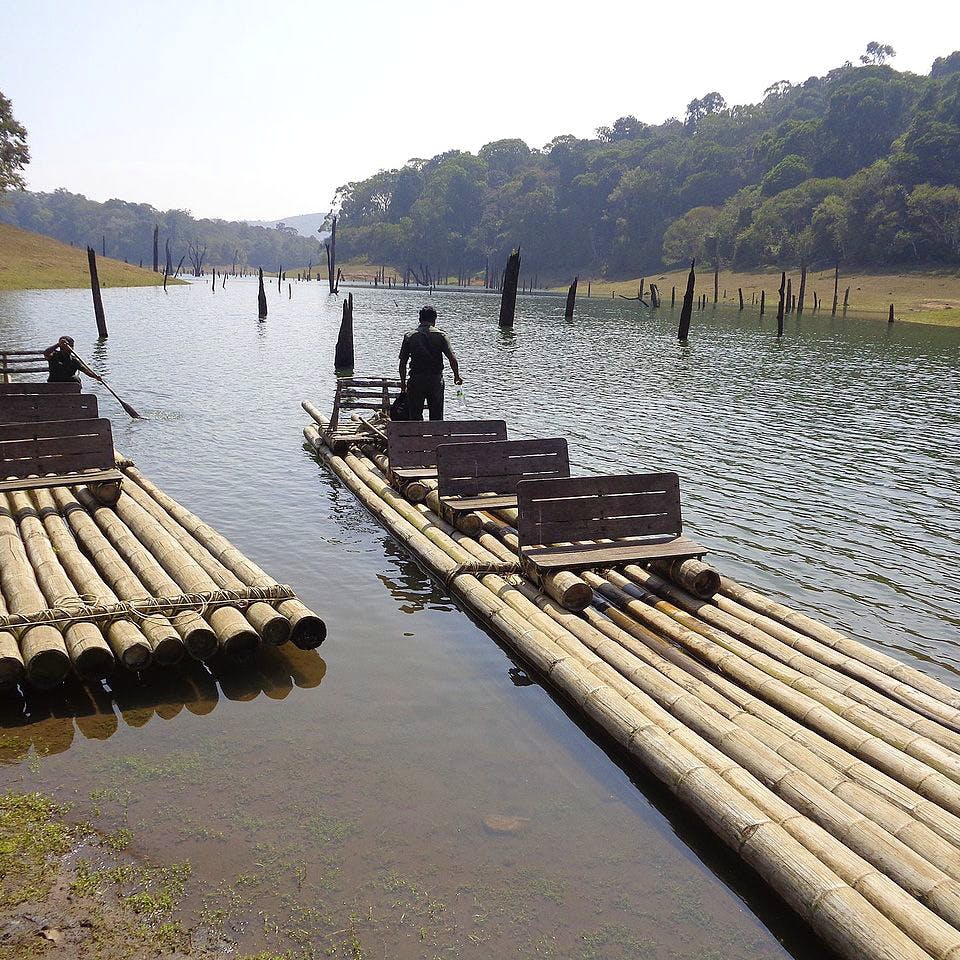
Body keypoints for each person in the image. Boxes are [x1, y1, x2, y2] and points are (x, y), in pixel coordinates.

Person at [398, 305, 462, 421]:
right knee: (437, 417)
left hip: (416, 380)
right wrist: (456, 376)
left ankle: (417, 438)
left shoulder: (409, 336)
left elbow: (403, 363)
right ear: (434, 320)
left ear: (419, 319)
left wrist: (403, 383)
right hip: (435, 381)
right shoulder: (441, 335)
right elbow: (452, 359)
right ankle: (436, 438)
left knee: (415, 417)